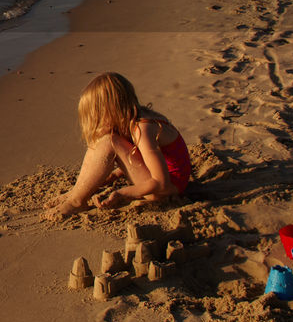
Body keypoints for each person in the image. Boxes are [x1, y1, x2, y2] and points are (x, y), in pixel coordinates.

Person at [44, 72, 192, 220]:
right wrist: (114, 175)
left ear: (111, 110)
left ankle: (76, 202)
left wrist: (123, 193)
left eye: (98, 118)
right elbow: (146, 158)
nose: (97, 124)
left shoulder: (143, 128)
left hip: (167, 189)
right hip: (165, 182)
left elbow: (161, 182)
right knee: (102, 141)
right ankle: (76, 192)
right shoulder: (136, 118)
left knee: (110, 142)